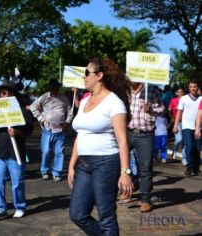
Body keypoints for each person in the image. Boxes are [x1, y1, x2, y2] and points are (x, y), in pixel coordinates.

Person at [68, 58, 133, 235]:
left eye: (87, 73)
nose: (84, 76)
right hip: (84, 164)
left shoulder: (114, 102)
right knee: (77, 214)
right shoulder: (83, 101)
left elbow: (122, 140)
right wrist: (72, 164)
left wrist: (125, 173)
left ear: (99, 76)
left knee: (106, 216)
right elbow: (80, 134)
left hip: (106, 163)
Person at [0, 80, 33, 219]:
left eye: (4, 92)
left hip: (16, 152)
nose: (1, 95)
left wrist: (17, 132)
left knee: (17, 182)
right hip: (1, 152)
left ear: (11, 94)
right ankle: (0, 207)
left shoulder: (21, 109)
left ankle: (20, 206)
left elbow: (29, 129)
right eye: (0, 93)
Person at [125, 81, 164, 213]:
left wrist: (152, 109)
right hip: (127, 132)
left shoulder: (151, 90)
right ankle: (125, 191)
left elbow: (162, 109)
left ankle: (145, 200)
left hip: (146, 135)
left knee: (146, 169)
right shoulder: (125, 90)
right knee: (121, 164)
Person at [30, 79, 73, 181]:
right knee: (45, 151)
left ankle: (56, 172)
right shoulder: (45, 96)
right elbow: (33, 107)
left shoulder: (63, 98)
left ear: (58, 88)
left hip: (60, 129)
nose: (54, 89)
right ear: (49, 88)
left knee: (59, 152)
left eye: (56, 87)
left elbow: (70, 110)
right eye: (52, 87)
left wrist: (67, 122)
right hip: (47, 129)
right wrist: (41, 118)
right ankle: (45, 170)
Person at [173, 79, 202, 176]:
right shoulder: (183, 99)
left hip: (199, 128)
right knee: (189, 146)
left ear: (197, 87)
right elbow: (179, 113)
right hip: (186, 127)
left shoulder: (201, 99)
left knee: (197, 148)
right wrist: (175, 125)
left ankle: (196, 168)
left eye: (194, 86)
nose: (193, 88)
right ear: (188, 88)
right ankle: (189, 167)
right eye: (191, 87)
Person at [168, 86, 186, 163]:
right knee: (179, 139)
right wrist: (171, 118)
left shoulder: (186, 100)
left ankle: (184, 158)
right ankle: (174, 150)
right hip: (177, 122)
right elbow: (169, 110)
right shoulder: (173, 100)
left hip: (186, 122)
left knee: (185, 140)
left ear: (184, 93)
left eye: (181, 92)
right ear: (176, 93)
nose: (180, 93)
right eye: (178, 92)